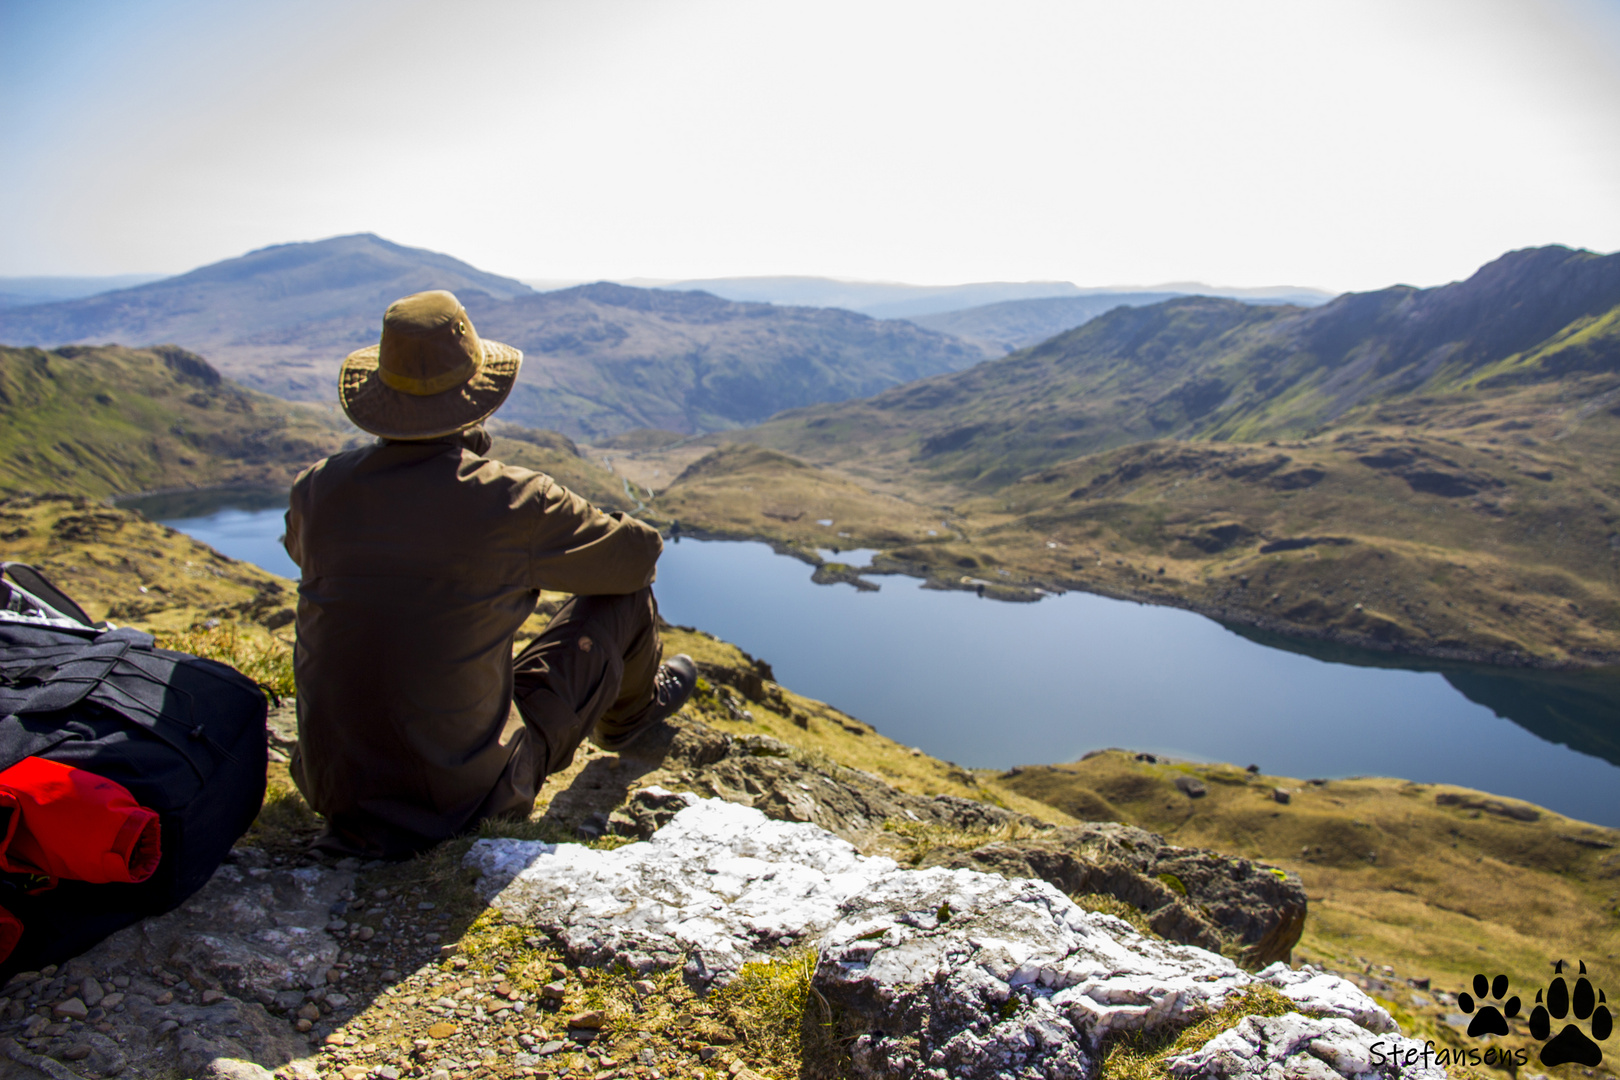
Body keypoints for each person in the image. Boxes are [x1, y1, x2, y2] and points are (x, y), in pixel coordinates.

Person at [283, 289, 695, 858]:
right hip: (464, 800)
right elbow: (636, 556)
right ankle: (632, 717)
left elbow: (308, 552)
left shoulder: (318, 488)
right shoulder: (511, 500)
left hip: (332, 787)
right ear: (478, 399)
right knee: (624, 599)